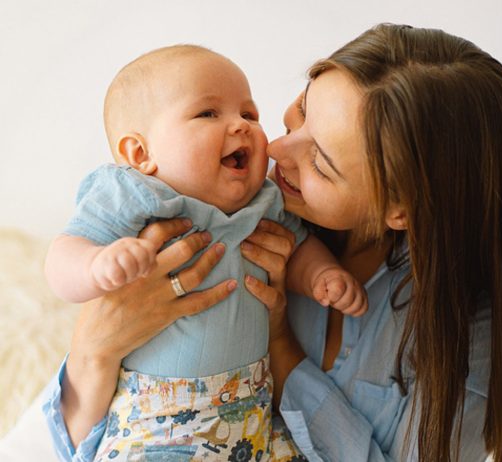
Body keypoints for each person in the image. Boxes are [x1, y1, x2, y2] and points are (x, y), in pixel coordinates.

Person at [42, 23, 502, 462]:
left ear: (400, 208)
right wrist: (95, 350)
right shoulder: (206, 205)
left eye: (321, 162)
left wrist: (280, 342)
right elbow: (81, 438)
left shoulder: (467, 337)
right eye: (300, 113)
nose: (274, 148)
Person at [43, 45, 366, 460]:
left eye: (249, 114)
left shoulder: (263, 201)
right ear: (141, 154)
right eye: (208, 114)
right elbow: (63, 255)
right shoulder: (135, 194)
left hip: (252, 413)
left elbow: (299, 248)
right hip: (159, 420)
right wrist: (96, 264)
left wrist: (323, 276)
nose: (242, 126)